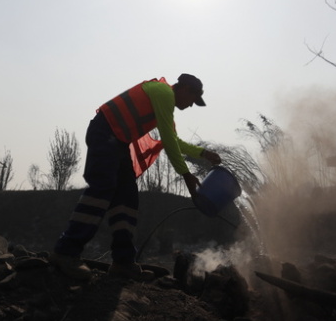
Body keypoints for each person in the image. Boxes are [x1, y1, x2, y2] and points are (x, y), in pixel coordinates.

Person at [50, 74, 222, 281]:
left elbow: (173, 140)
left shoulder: (164, 101)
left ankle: (123, 262)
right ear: (184, 89)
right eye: (193, 99)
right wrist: (186, 175)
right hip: (105, 133)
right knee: (102, 188)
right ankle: (66, 251)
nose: (191, 105)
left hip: (117, 141)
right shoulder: (164, 93)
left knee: (127, 198)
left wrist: (203, 153)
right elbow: (169, 140)